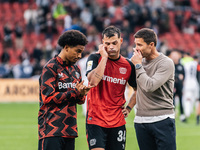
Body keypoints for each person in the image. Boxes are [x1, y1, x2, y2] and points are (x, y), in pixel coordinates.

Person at [38, 30, 92, 150]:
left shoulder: (75, 69)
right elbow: (47, 98)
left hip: (70, 130)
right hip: (50, 130)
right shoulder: (51, 67)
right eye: (77, 51)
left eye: (81, 52)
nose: (79, 56)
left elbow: (79, 100)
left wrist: (82, 94)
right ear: (66, 47)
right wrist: (75, 92)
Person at [85, 26, 137, 150]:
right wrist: (104, 58)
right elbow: (93, 81)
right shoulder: (95, 58)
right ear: (103, 43)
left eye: (114, 43)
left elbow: (138, 90)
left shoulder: (128, 65)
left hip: (117, 121)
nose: (111, 47)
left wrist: (129, 108)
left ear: (121, 41)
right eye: (107, 44)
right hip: (96, 119)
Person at [130, 28, 176, 150]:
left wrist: (138, 66)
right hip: (140, 120)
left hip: (162, 119)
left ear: (151, 45)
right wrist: (129, 107)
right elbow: (138, 88)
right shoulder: (137, 62)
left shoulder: (166, 63)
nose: (136, 49)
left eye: (139, 45)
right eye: (135, 44)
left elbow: (149, 86)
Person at [169, 50, 186, 122]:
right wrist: (177, 76)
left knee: (181, 100)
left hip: (179, 86)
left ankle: (182, 115)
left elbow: (184, 75)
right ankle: (172, 114)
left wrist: (182, 80)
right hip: (172, 86)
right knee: (172, 101)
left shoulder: (181, 66)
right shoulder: (171, 65)